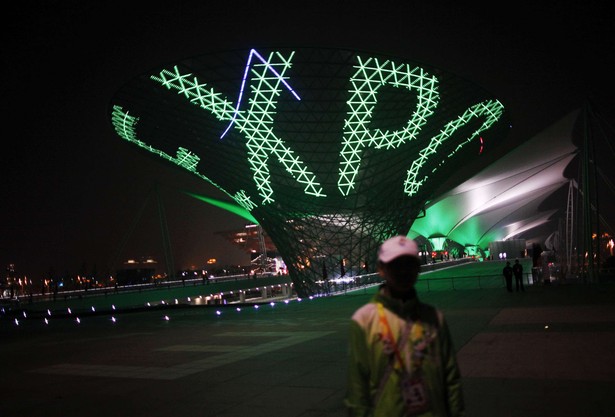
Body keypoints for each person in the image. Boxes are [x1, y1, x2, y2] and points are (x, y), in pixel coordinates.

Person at [345, 235, 464, 417]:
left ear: (417, 268)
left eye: (409, 265)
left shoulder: (434, 318)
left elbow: (451, 378)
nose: (403, 272)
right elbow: (357, 390)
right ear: (381, 269)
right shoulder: (364, 321)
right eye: (395, 265)